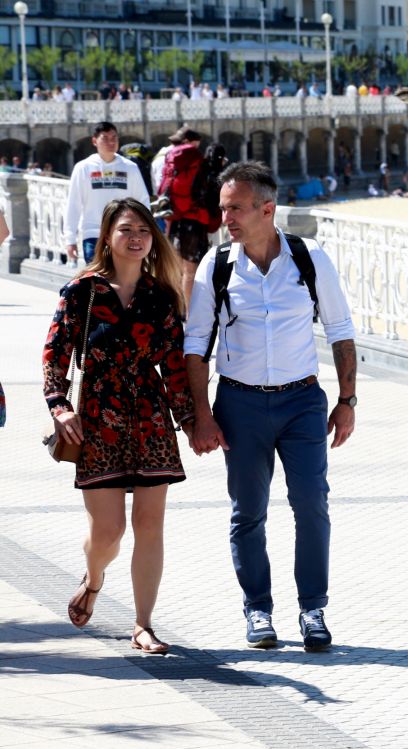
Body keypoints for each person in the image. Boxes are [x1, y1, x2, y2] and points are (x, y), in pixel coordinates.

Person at [182, 162, 357, 651]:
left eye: (235, 208)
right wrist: (202, 414)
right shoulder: (215, 267)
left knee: (312, 505)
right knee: (248, 514)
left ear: (267, 208)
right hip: (239, 404)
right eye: (222, 208)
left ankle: (313, 609)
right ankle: (258, 610)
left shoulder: (309, 258)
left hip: (302, 401)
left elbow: (340, 331)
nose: (226, 218)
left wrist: (347, 400)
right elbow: (195, 344)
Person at [42, 198, 194, 654]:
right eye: (126, 229)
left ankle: (143, 624)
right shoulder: (81, 292)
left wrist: (191, 420)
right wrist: (59, 407)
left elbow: (174, 365)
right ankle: (93, 578)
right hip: (97, 419)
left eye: (144, 231)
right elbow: (55, 354)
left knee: (150, 524)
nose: (136, 238)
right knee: (108, 532)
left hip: (150, 419)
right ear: (108, 235)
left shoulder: (161, 296)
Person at [64, 121, 150, 264]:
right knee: (97, 283)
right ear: (94, 141)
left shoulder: (130, 168)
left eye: (114, 138)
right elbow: (73, 204)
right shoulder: (83, 168)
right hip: (93, 234)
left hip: (125, 234)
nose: (111, 142)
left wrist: (145, 232)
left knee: (122, 281)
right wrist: (70, 239)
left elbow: (142, 201)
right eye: (105, 138)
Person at [159, 130, 228, 302]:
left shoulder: (171, 160)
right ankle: (190, 314)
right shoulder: (201, 165)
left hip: (175, 219)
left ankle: (177, 309)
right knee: (191, 271)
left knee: (177, 269)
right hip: (194, 224)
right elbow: (212, 199)